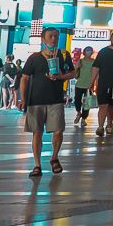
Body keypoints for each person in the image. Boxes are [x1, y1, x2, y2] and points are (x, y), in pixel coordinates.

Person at [21, 27, 71, 177]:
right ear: (43, 39)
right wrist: (23, 99)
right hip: (35, 100)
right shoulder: (34, 58)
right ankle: (37, 165)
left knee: (58, 130)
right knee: (37, 133)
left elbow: (73, 72)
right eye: (50, 36)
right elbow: (24, 78)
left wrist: (61, 77)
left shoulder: (63, 55)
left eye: (56, 36)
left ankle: (54, 157)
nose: (53, 39)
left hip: (55, 100)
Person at [74, 47, 97, 124]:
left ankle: (84, 118)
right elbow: (74, 73)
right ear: (83, 52)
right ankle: (78, 112)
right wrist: (77, 67)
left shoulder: (94, 62)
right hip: (79, 84)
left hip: (89, 86)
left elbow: (96, 74)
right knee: (77, 100)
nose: (88, 52)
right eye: (87, 50)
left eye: (90, 50)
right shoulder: (80, 61)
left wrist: (95, 85)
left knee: (87, 103)